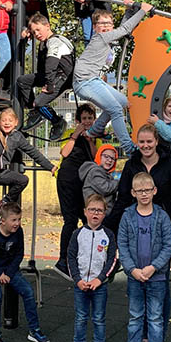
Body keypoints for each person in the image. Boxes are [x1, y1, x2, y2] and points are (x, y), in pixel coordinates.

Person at [105, 124, 171, 342]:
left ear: (157, 141)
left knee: (160, 290)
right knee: (137, 291)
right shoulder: (132, 165)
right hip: (136, 230)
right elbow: (122, 199)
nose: (146, 146)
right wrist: (107, 227)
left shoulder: (169, 165)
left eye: (150, 141)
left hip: (162, 233)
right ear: (137, 142)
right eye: (142, 142)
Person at [114, 172, 171, 342]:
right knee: (135, 316)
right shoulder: (127, 216)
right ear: (133, 193)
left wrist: (153, 267)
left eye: (147, 190)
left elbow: (169, 245)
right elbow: (122, 244)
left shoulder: (161, 216)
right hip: (135, 277)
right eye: (140, 191)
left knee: (156, 317)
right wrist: (132, 269)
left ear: (154, 191)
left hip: (156, 277)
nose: (144, 194)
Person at [73, 0, 153, 154]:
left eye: (109, 24)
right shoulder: (101, 37)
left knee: (123, 102)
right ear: (95, 28)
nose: (106, 27)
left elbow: (123, 29)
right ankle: (129, 148)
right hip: (85, 82)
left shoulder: (108, 36)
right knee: (115, 109)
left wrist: (129, 10)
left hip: (93, 80)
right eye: (102, 24)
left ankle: (94, 131)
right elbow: (124, 29)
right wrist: (142, 10)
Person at [0, 202, 50, 342]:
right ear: (2, 221)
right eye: (14, 220)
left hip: (9, 269)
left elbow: (19, 254)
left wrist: (9, 273)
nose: (17, 223)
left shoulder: (18, 232)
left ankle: (34, 329)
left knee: (28, 292)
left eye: (19, 219)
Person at [0, 108, 56, 223]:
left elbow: (33, 152)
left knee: (23, 179)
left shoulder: (17, 137)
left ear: (16, 123)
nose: (7, 123)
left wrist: (50, 166)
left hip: (1, 171)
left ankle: (2, 203)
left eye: (10, 120)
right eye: (4, 120)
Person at [66, 194, 117, 342]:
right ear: (85, 212)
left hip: (99, 286)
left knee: (99, 318)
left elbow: (112, 260)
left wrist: (100, 279)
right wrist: (78, 280)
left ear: (104, 214)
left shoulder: (108, 235)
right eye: (92, 210)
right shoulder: (77, 234)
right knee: (81, 317)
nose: (95, 214)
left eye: (99, 211)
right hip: (80, 285)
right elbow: (71, 258)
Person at [53, 103, 102, 278]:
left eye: (90, 118)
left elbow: (98, 159)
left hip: (84, 182)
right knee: (70, 220)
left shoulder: (96, 138)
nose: (87, 122)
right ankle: (62, 260)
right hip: (67, 179)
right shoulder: (69, 135)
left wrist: (90, 140)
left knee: (91, 218)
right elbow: (65, 153)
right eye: (84, 119)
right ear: (78, 121)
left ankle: (92, 257)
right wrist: (75, 135)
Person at [18, 13, 74, 140]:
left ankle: (57, 121)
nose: (36, 34)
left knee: (39, 102)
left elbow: (51, 65)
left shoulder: (55, 42)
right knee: (22, 81)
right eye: (33, 32)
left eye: (38, 30)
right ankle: (35, 112)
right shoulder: (44, 43)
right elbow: (43, 68)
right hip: (51, 75)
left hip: (62, 78)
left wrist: (49, 85)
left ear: (47, 26)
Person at [78, 144, 119, 213]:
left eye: (112, 158)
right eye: (106, 157)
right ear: (99, 156)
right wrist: (120, 181)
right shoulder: (95, 171)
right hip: (97, 213)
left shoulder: (105, 173)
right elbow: (106, 189)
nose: (109, 160)